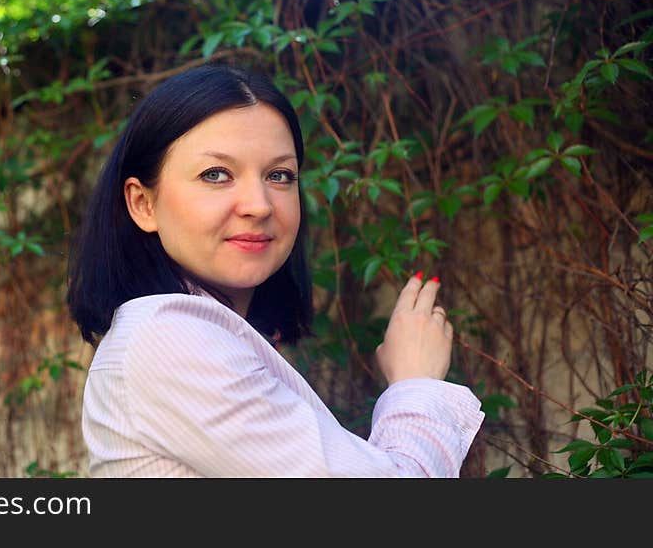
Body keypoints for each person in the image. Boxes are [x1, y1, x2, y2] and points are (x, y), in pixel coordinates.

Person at [67, 63, 484, 477]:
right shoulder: (165, 337)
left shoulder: (196, 335)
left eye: (279, 175)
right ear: (143, 203)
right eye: (216, 175)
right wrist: (414, 384)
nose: (260, 205)